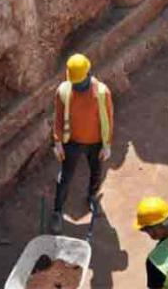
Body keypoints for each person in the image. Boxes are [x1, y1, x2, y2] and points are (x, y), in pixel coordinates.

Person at [51, 53, 114, 234]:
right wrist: (57, 142)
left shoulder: (102, 93)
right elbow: (58, 119)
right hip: (72, 143)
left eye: (80, 83)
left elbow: (108, 119)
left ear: (89, 73)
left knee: (96, 173)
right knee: (65, 179)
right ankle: (57, 211)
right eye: (75, 84)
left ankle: (92, 198)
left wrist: (107, 144)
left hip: (96, 144)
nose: (78, 87)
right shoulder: (63, 91)